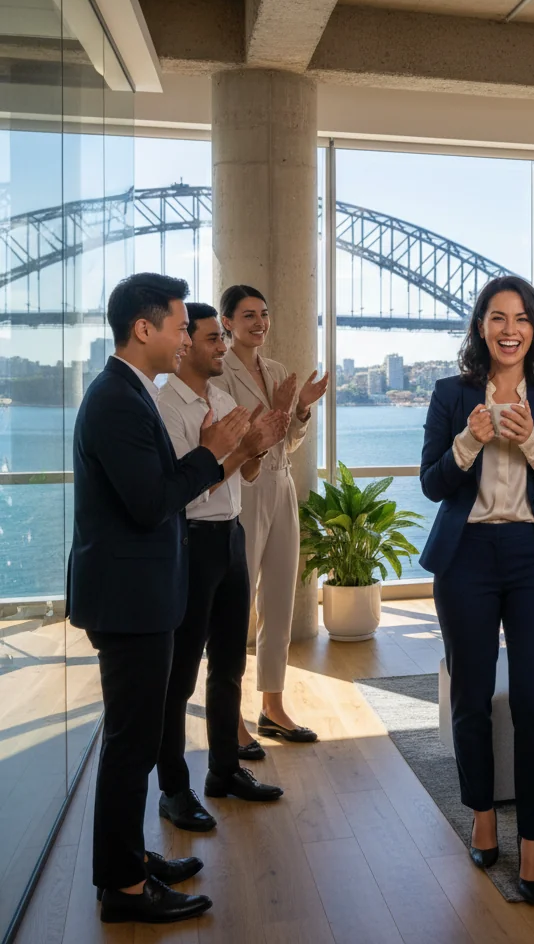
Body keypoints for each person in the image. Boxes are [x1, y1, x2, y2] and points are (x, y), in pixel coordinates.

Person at [67, 274, 249, 924]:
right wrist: (211, 454)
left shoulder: (128, 393)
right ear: (143, 329)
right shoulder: (118, 400)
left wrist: (209, 454)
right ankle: (121, 886)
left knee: (135, 742)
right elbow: (151, 503)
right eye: (178, 325)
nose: (183, 338)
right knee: (129, 745)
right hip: (128, 602)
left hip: (140, 596)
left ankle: (129, 859)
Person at [419, 274, 534, 905]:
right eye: (496, 317)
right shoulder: (450, 393)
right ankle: (482, 814)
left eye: (520, 318)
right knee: (470, 695)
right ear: (480, 327)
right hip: (467, 559)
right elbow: (434, 484)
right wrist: (472, 439)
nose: (509, 329)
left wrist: (532, 444)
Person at [155, 304, 290, 833]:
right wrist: (239, 450)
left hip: (231, 535)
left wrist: (264, 440)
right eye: (214, 339)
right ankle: (173, 789)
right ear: (187, 344)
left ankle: (223, 770)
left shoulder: (224, 399)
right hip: (193, 542)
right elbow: (195, 485)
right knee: (181, 674)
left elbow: (247, 472)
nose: (222, 347)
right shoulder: (168, 409)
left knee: (231, 662)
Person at [213, 284, 329, 749]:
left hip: (281, 486)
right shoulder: (218, 375)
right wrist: (282, 408)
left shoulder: (278, 369)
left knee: (280, 598)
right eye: (247, 316)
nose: (259, 323)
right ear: (226, 323)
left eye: (264, 314)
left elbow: (290, 442)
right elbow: (237, 439)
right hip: (243, 490)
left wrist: (301, 408)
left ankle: (273, 706)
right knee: (236, 608)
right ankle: (232, 718)